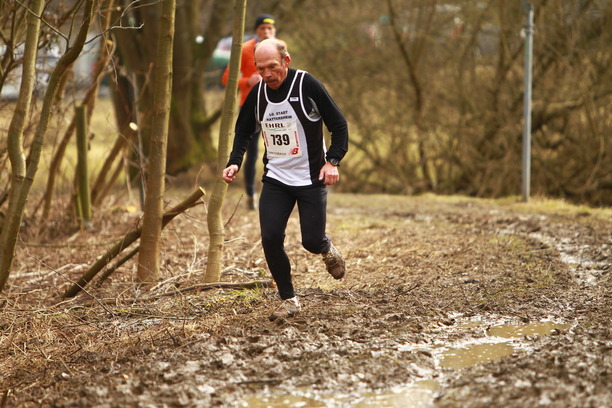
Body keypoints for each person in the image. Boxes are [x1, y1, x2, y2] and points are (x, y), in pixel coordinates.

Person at [222, 38, 349, 321]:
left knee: (311, 241)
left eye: (272, 67)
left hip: (311, 177)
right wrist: (234, 161)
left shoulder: (306, 85)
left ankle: (326, 248)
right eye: (260, 69)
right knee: (270, 238)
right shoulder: (258, 94)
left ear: (286, 61)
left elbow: (339, 125)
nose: (267, 74)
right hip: (277, 179)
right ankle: (288, 299)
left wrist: (332, 161)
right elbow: (243, 131)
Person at [221, 14, 277, 210]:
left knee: (276, 151)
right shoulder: (245, 49)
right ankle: (251, 194)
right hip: (250, 107)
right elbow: (226, 78)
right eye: (262, 28)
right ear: (256, 31)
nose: (266, 32)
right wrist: (247, 81)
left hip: (276, 107)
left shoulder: (280, 47)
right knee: (251, 154)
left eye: (270, 29)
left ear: (274, 31)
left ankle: (275, 193)